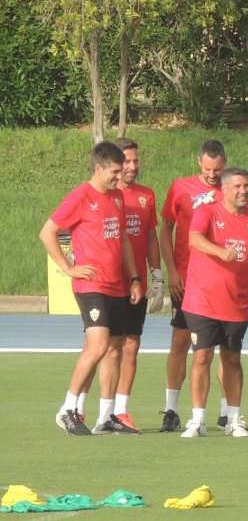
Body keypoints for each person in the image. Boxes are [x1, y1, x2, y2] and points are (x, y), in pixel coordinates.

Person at [42, 141, 144, 436]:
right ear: (98, 168)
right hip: (91, 284)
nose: (119, 175)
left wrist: (135, 277)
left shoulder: (117, 197)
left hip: (117, 284)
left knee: (114, 350)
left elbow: (123, 239)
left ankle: (107, 416)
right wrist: (69, 268)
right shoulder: (80, 197)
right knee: (98, 345)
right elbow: (47, 232)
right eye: (114, 170)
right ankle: (67, 409)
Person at [179, 167, 248, 438]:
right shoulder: (208, 211)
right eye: (238, 186)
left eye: (246, 186)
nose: (243, 191)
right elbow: (194, 239)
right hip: (201, 300)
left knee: (232, 359)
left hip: (236, 302)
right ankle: (197, 420)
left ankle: (233, 419)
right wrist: (221, 252)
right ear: (225, 190)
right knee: (202, 357)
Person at [158, 139, 227, 432]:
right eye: (209, 169)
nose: (213, 174)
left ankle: (226, 413)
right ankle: (171, 410)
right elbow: (165, 231)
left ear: (225, 162)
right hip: (186, 280)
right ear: (199, 162)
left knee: (225, 348)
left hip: (220, 280)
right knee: (180, 342)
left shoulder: (233, 188)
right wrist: (171, 271)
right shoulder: (180, 187)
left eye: (218, 168)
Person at [104, 137, 163, 433]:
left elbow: (151, 236)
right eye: (126, 161)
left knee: (132, 344)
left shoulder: (146, 195)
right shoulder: (105, 193)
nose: (132, 166)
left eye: (136, 161)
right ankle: (94, 409)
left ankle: (122, 411)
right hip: (110, 281)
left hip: (137, 281)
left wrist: (157, 274)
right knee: (105, 345)